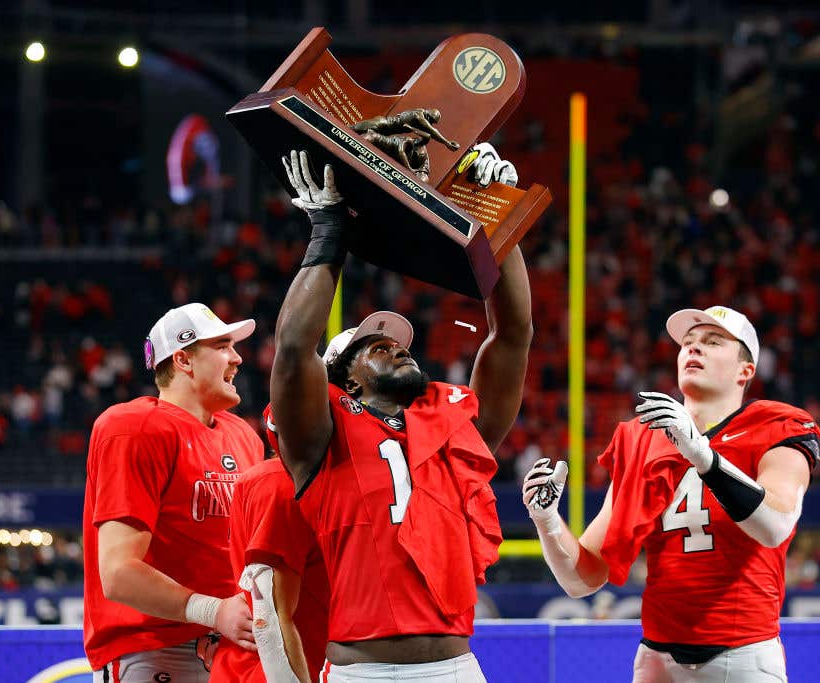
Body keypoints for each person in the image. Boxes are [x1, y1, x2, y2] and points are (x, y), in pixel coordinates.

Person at [270, 146, 531, 682]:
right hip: (359, 673)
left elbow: (512, 336)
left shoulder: (453, 423)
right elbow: (295, 349)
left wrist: (496, 219)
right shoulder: (321, 434)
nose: (396, 346)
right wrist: (329, 231)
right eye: (376, 346)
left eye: (397, 342)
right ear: (344, 377)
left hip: (455, 668)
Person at [523, 305, 820, 683]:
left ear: (745, 371)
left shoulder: (775, 426)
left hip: (742, 657)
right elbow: (582, 580)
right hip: (656, 660)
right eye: (689, 343)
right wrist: (547, 520)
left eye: (713, 342)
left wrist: (703, 456)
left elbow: (775, 525)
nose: (694, 349)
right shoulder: (643, 439)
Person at [83, 302, 265, 682]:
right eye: (222, 346)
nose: (237, 358)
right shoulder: (133, 428)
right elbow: (117, 573)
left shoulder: (244, 436)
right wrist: (213, 611)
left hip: (234, 648)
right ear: (183, 360)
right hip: (155, 650)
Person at [210, 405, 329, 683]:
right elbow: (270, 620)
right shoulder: (282, 484)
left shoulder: (298, 481)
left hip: (301, 661)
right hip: (275, 671)